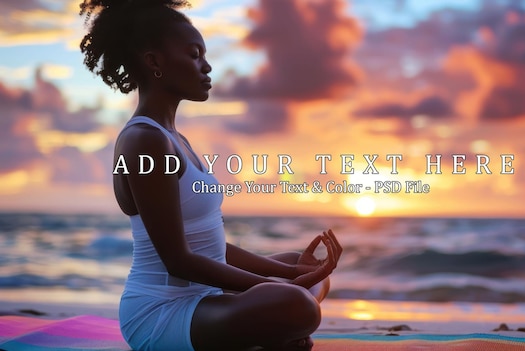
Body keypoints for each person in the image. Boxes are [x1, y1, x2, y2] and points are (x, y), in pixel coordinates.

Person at [78, 1, 342, 350]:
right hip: (164, 312)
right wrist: (275, 289)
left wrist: (292, 275)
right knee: (298, 305)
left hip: (208, 299)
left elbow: (212, 248)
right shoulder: (145, 141)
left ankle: (266, 332)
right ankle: (269, 334)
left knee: (300, 266)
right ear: (154, 61)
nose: (207, 66)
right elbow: (178, 260)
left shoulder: (174, 138)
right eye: (194, 54)